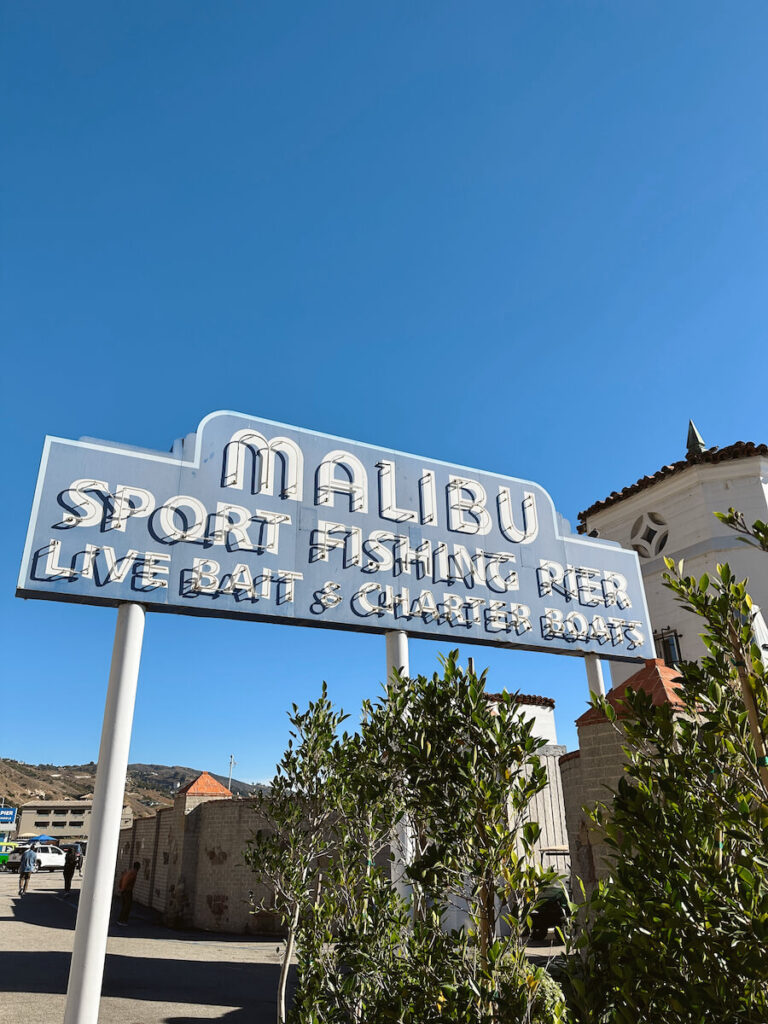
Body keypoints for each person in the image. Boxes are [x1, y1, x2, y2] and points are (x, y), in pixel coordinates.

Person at [117, 861, 140, 925]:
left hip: (124, 890)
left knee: (124, 905)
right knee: (127, 906)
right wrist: (123, 889)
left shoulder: (128, 872)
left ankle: (121, 919)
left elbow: (122, 879)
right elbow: (127, 881)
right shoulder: (133, 873)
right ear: (138, 867)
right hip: (127, 891)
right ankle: (122, 920)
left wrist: (120, 887)